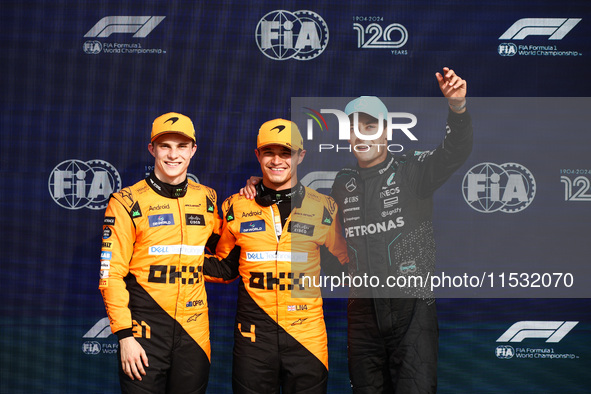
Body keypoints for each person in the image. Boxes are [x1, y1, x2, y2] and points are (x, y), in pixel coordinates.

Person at [241, 67, 472, 393]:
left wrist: (458, 108)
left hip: (412, 309)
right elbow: (311, 215)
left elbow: (455, 152)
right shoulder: (343, 183)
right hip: (362, 313)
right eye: (355, 128)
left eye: (370, 126)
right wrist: (262, 188)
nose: (362, 135)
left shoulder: (412, 171)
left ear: (386, 132)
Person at [212, 118, 349, 393]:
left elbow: (345, 266)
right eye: (268, 152)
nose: (277, 161)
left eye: (286, 152)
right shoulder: (235, 206)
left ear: (301, 156)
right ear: (257, 155)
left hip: (307, 338)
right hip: (253, 339)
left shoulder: (325, 208)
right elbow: (223, 267)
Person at [99, 112, 228, 393]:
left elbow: (225, 258)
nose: (173, 155)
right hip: (144, 334)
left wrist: (257, 191)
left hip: (195, 332)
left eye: (182, 146)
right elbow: (111, 275)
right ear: (152, 149)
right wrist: (124, 336)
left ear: (193, 150)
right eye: (165, 146)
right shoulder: (125, 201)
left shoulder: (207, 198)